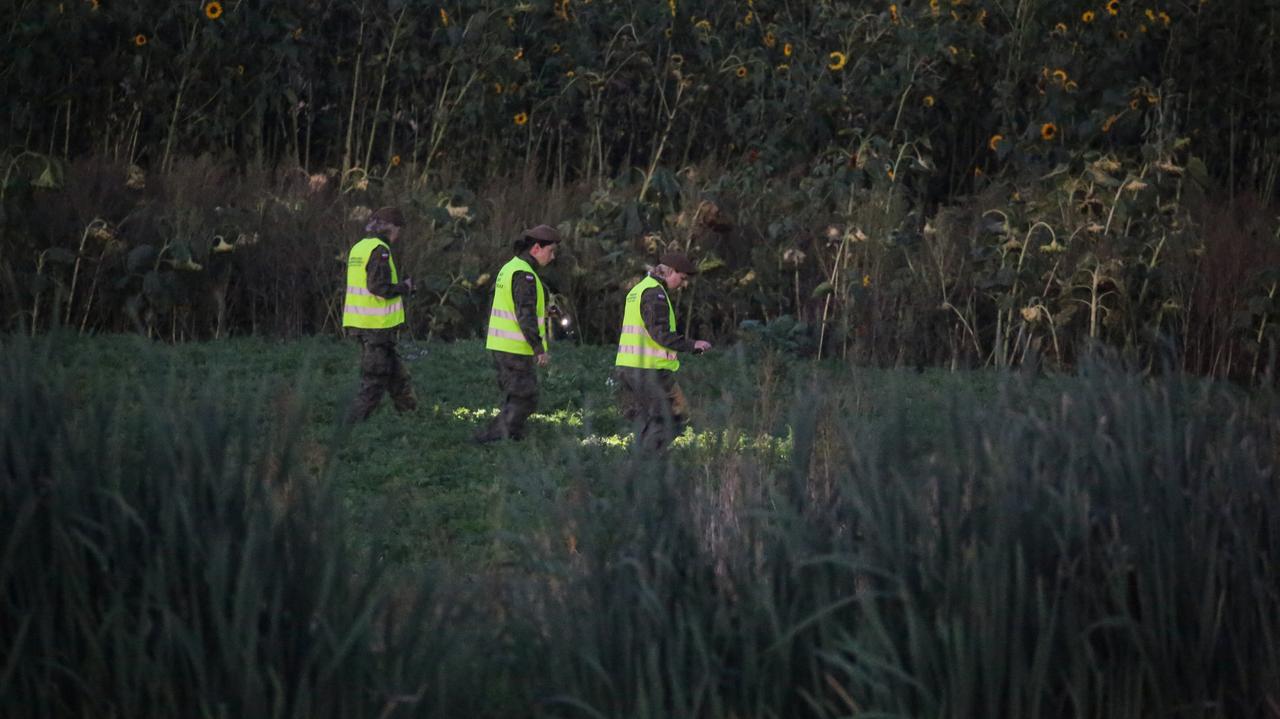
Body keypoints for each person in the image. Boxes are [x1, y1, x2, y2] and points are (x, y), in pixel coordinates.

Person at [614, 251, 712, 452]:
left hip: (629, 369)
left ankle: (638, 467)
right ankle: (650, 467)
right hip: (650, 370)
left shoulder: (639, 289)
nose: (683, 284)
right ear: (672, 272)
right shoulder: (655, 293)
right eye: (682, 278)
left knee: (646, 420)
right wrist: (692, 345)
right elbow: (660, 334)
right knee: (673, 416)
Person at [473, 224, 562, 443]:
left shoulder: (511, 268)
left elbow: (514, 306)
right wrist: (538, 348)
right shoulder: (525, 275)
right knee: (524, 397)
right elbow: (525, 314)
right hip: (514, 348)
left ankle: (511, 436)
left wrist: (546, 311)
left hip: (504, 345)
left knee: (518, 395)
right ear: (536, 249)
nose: (552, 258)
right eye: (550, 251)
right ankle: (494, 438)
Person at [342, 206, 418, 422]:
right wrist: (405, 287)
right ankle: (351, 424)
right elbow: (378, 287)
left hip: (361, 323)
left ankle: (411, 417)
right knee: (374, 379)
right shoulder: (380, 251)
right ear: (390, 228)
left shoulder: (360, 247)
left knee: (397, 376)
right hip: (375, 326)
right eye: (398, 229)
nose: (399, 234)